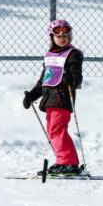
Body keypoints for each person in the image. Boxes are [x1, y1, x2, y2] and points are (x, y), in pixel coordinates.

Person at [23, 19, 84, 175]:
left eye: (66, 35)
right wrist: (33, 94)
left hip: (62, 97)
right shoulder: (49, 55)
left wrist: (70, 80)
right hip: (50, 99)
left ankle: (67, 162)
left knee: (57, 130)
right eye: (58, 36)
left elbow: (77, 77)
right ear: (51, 37)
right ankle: (66, 161)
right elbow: (45, 78)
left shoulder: (73, 54)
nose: (62, 38)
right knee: (54, 130)